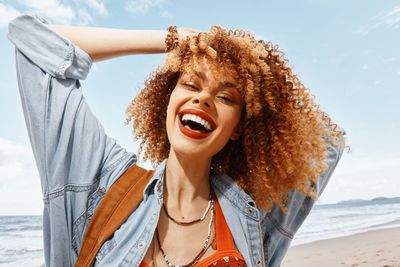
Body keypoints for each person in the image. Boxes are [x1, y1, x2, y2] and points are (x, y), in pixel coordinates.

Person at [7, 12, 346, 267]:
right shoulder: (102, 182)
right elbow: (30, 37)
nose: (203, 99)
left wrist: (257, 65)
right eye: (191, 84)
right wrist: (173, 40)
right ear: (167, 99)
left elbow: (326, 142)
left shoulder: (252, 216)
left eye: (226, 98)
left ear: (240, 128)